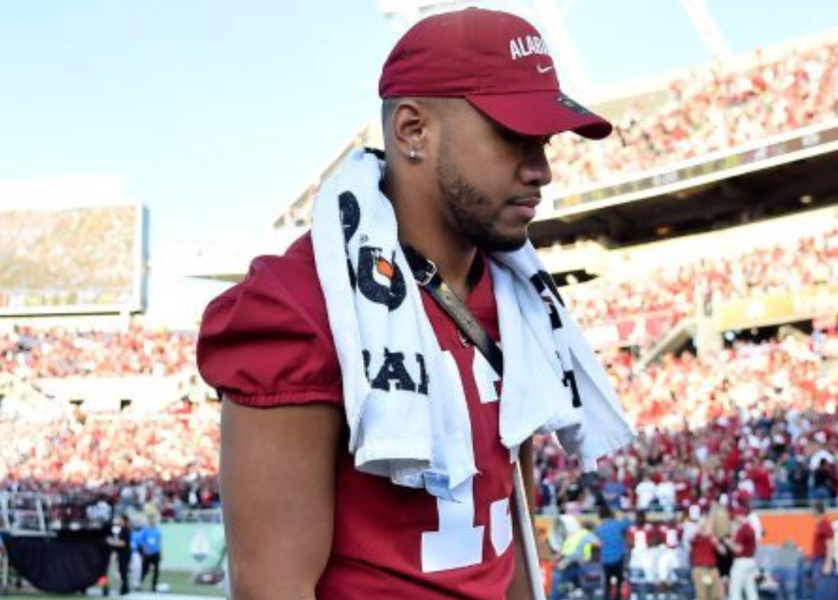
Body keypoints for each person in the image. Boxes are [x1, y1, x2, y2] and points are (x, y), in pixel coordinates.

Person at [197, 8, 628, 600]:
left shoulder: (521, 304)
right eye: (512, 136)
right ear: (412, 131)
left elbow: (514, 544)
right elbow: (274, 587)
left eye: (544, 141)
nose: (542, 170)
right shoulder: (297, 305)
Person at [594, 504, 632, 600]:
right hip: (618, 557)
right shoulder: (617, 524)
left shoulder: (599, 529)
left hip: (606, 559)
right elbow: (629, 522)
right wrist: (621, 514)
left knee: (607, 584)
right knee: (619, 583)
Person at [691, 510, 727, 600]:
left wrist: (716, 541)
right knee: (702, 596)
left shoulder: (712, 537)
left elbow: (723, 551)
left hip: (712, 569)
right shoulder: (697, 537)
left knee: (716, 596)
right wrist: (700, 526)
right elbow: (691, 539)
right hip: (700, 569)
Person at [729, 509, 761, 600]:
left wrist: (727, 542)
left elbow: (738, 549)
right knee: (750, 590)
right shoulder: (751, 528)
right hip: (750, 561)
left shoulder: (743, 529)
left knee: (735, 590)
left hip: (741, 562)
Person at [811, 502, 838, 600]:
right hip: (819, 560)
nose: (811, 512)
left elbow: (830, 545)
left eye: (812, 510)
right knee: (819, 590)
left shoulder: (825, 525)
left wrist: (828, 564)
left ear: (817, 511)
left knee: (824, 591)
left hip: (822, 561)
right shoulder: (820, 524)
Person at [105, 514, 133, 596]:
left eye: (120, 519)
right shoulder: (119, 529)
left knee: (123, 571)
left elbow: (123, 543)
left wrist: (112, 542)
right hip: (120, 554)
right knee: (120, 571)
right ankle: (123, 588)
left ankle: (124, 589)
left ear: (124, 520)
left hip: (125, 554)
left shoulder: (126, 530)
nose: (118, 521)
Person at [135, 514, 163, 593]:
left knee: (156, 570)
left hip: (155, 553)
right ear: (149, 521)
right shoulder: (145, 530)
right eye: (151, 520)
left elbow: (159, 541)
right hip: (147, 554)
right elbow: (142, 542)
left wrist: (160, 552)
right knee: (145, 570)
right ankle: (139, 583)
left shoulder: (157, 530)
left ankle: (154, 586)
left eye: (154, 520)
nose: (153, 521)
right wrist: (145, 549)